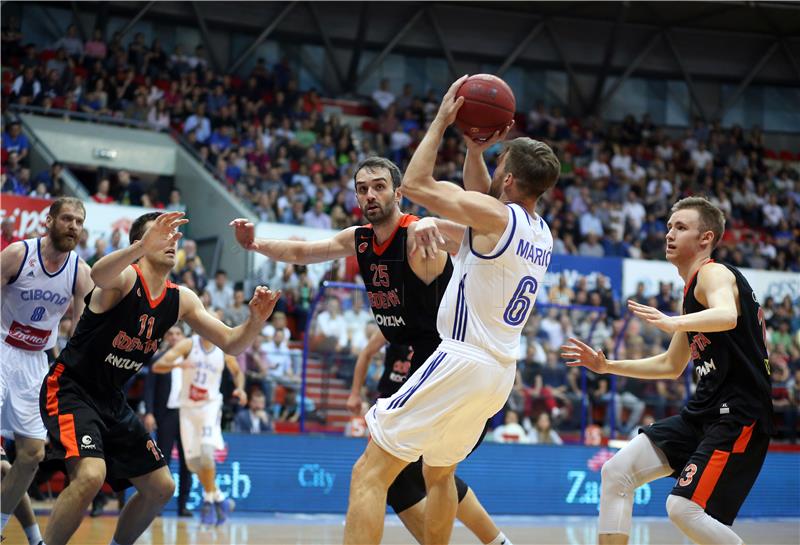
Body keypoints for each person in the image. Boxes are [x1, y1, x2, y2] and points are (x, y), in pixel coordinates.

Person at [231, 153, 512, 545]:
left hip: (443, 359)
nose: (370, 195)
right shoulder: (359, 239)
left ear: (399, 192)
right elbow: (304, 253)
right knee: (427, 474)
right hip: (415, 361)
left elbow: (471, 236)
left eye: (379, 186)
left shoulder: (418, 235)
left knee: (377, 472)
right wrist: (256, 244)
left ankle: (495, 540)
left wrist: (438, 217)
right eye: (362, 189)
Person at [343, 75, 560, 544]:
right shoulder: (538, 231)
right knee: (439, 476)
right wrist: (477, 151)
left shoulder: (495, 217)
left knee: (369, 473)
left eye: (499, 162)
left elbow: (418, 182)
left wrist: (442, 121)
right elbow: (480, 202)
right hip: (499, 373)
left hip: (462, 358)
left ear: (509, 180)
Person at [38, 211, 279, 545]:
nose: (172, 241)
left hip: (112, 399)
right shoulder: (124, 279)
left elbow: (232, 343)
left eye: (174, 236)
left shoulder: (181, 299)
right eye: (162, 235)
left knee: (161, 487)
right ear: (141, 242)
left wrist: (255, 321)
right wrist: (138, 247)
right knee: (91, 475)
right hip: (70, 388)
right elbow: (99, 273)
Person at [561, 196, 773, 545]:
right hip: (704, 412)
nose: (669, 235)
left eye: (681, 227)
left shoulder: (713, 273)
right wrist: (607, 366)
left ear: (705, 238)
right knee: (617, 472)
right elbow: (671, 365)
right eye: (669, 227)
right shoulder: (691, 292)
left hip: (738, 413)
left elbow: (727, 315)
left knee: (681, 508)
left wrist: (674, 322)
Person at [1, 198, 93, 539]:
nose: (73, 225)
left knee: (32, 454)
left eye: (79, 221)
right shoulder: (17, 254)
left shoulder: (80, 272)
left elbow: (82, 331)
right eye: (66, 218)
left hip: (35, 362)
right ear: (49, 220)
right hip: (0, 347)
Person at [151, 327, 248, 526]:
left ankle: (208, 501)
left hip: (210, 407)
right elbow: (158, 366)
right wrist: (178, 364)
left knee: (205, 454)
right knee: (193, 464)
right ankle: (218, 498)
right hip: (186, 409)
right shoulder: (188, 345)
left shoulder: (222, 350)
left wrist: (240, 389)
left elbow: (238, 372)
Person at [142, 325, 192, 517]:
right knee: (163, 462)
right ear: (165, 338)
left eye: (178, 334)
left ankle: (183, 505)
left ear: (184, 337)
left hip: (187, 415)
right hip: (166, 415)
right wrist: (149, 412)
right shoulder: (159, 360)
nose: (174, 337)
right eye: (170, 333)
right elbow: (149, 389)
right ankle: (158, 505)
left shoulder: (191, 360)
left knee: (188, 462)